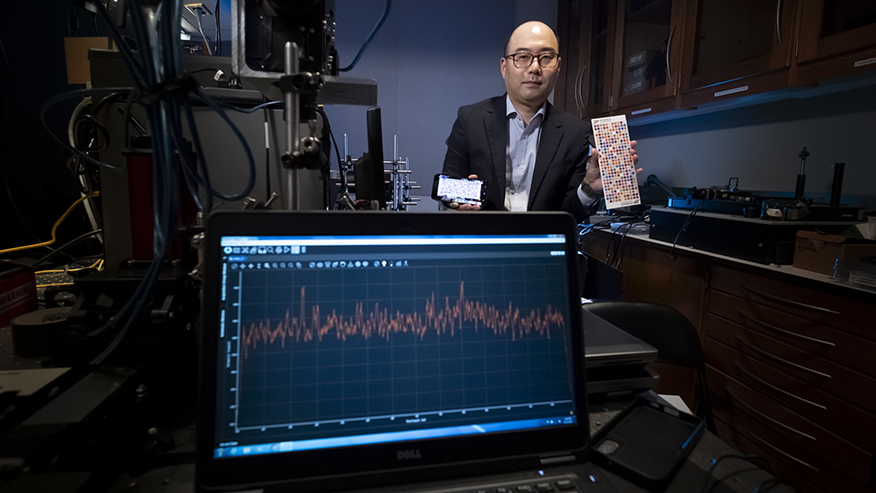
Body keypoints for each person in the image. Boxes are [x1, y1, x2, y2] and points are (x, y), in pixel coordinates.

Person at [441, 21, 640, 222]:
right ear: (504, 67)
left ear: (559, 67)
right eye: (523, 57)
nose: (535, 68)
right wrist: (458, 202)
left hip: (543, 247)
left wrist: (589, 189)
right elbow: (448, 188)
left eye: (546, 58)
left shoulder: (576, 132)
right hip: (483, 245)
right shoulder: (470, 119)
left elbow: (568, 214)